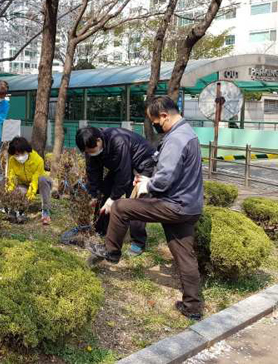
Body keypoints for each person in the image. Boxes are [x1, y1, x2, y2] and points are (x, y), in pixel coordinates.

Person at [87, 96, 204, 320]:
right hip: (190, 205)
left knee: (121, 207)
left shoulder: (176, 139)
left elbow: (165, 177)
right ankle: (193, 307)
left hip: (174, 204)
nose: (155, 125)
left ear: (164, 116)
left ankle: (111, 251)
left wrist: (147, 183)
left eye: (155, 122)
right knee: (184, 254)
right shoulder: (188, 133)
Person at [76, 126, 156, 256]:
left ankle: (138, 241)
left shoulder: (118, 141)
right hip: (121, 166)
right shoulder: (91, 148)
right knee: (103, 192)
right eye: (86, 152)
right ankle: (102, 229)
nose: (89, 153)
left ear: (98, 141)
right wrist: (93, 194)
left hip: (143, 163)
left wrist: (113, 198)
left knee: (136, 201)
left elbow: (124, 176)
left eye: (91, 150)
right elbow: (93, 172)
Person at [6, 136, 53, 225]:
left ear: (27, 150)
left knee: (42, 179)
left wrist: (29, 197)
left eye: (21, 153)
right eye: (16, 155)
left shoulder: (38, 160)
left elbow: (35, 181)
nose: (19, 157)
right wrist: (10, 195)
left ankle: (46, 211)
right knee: (19, 190)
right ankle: (17, 211)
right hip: (24, 184)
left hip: (40, 184)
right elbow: (11, 178)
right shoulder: (12, 161)